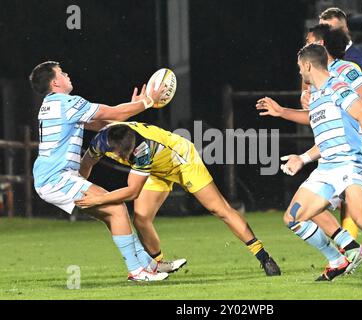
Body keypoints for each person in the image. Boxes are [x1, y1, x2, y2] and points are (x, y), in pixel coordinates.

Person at [260, 44, 362, 281]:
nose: (300, 72)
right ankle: (338, 258)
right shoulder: (317, 97)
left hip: (351, 163)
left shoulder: (338, 87)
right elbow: (327, 140)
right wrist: (302, 158)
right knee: (292, 218)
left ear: (308, 65)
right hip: (328, 168)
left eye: (300, 67)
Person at [74, 121, 282, 277]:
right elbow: (86, 165)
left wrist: (97, 200)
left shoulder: (142, 149)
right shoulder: (102, 141)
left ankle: (264, 257)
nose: (124, 159)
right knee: (141, 218)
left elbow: (132, 191)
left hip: (183, 161)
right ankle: (158, 264)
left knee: (219, 209)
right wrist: (76, 189)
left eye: (127, 155)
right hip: (156, 170)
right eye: (121, 155)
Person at [30, 60, 169, 282]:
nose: (68, 75)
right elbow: (113, 113)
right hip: (56, 179)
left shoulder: (50, 105)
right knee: (117, 208)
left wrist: (130, 109)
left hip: (51, 178)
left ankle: (148, 264)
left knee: (111, 214)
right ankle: (137, 271)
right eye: (62, 73)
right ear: (55, 82)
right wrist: (148, 101)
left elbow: (103, 122)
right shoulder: (68, 103)